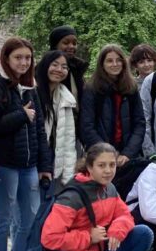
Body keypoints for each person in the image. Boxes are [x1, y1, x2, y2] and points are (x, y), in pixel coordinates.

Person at [41, 143, 153, 251]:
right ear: (89, 167)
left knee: (143, 233)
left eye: (112, 165)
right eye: (102, 165)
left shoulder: (109, 188)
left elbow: (125, 215)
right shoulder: (72, 196)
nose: (108, 170)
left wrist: (117, 231)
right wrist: (88, 237)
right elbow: (49, 238)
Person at [0, 37, 52, 251]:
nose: (23, 62)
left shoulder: (30, 88)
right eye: (18, 58)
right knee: (3, 217)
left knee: (30, 217)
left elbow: (39, 132)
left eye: (27, 58)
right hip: (5, 165)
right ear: (6, 59)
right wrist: (20, 115)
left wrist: (44, 164)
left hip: (29, 165)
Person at [80, 45, 146, 165]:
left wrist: (128, 153)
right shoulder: (92, 89)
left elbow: (139, 123)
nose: (115, 64)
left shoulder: (131, 88)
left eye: (118, 60)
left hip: (128, 155)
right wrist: (108, 153)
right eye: (109, 61)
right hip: (101, 155)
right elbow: (87, 126)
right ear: (102, 64)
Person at [38, 51, 80, 187]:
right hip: (33, 161)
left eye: (64, 67)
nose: (59, 70)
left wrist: (68, 177)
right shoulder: (32, 92)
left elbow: (68, 138)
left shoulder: (65, 97)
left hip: (53, 159)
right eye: (54, 65)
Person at [48, 25, 88, 102]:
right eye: (66, 43)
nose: (71, 46)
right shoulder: (44, 70)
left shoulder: (77, 68)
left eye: (74, 43)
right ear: (55, 45)